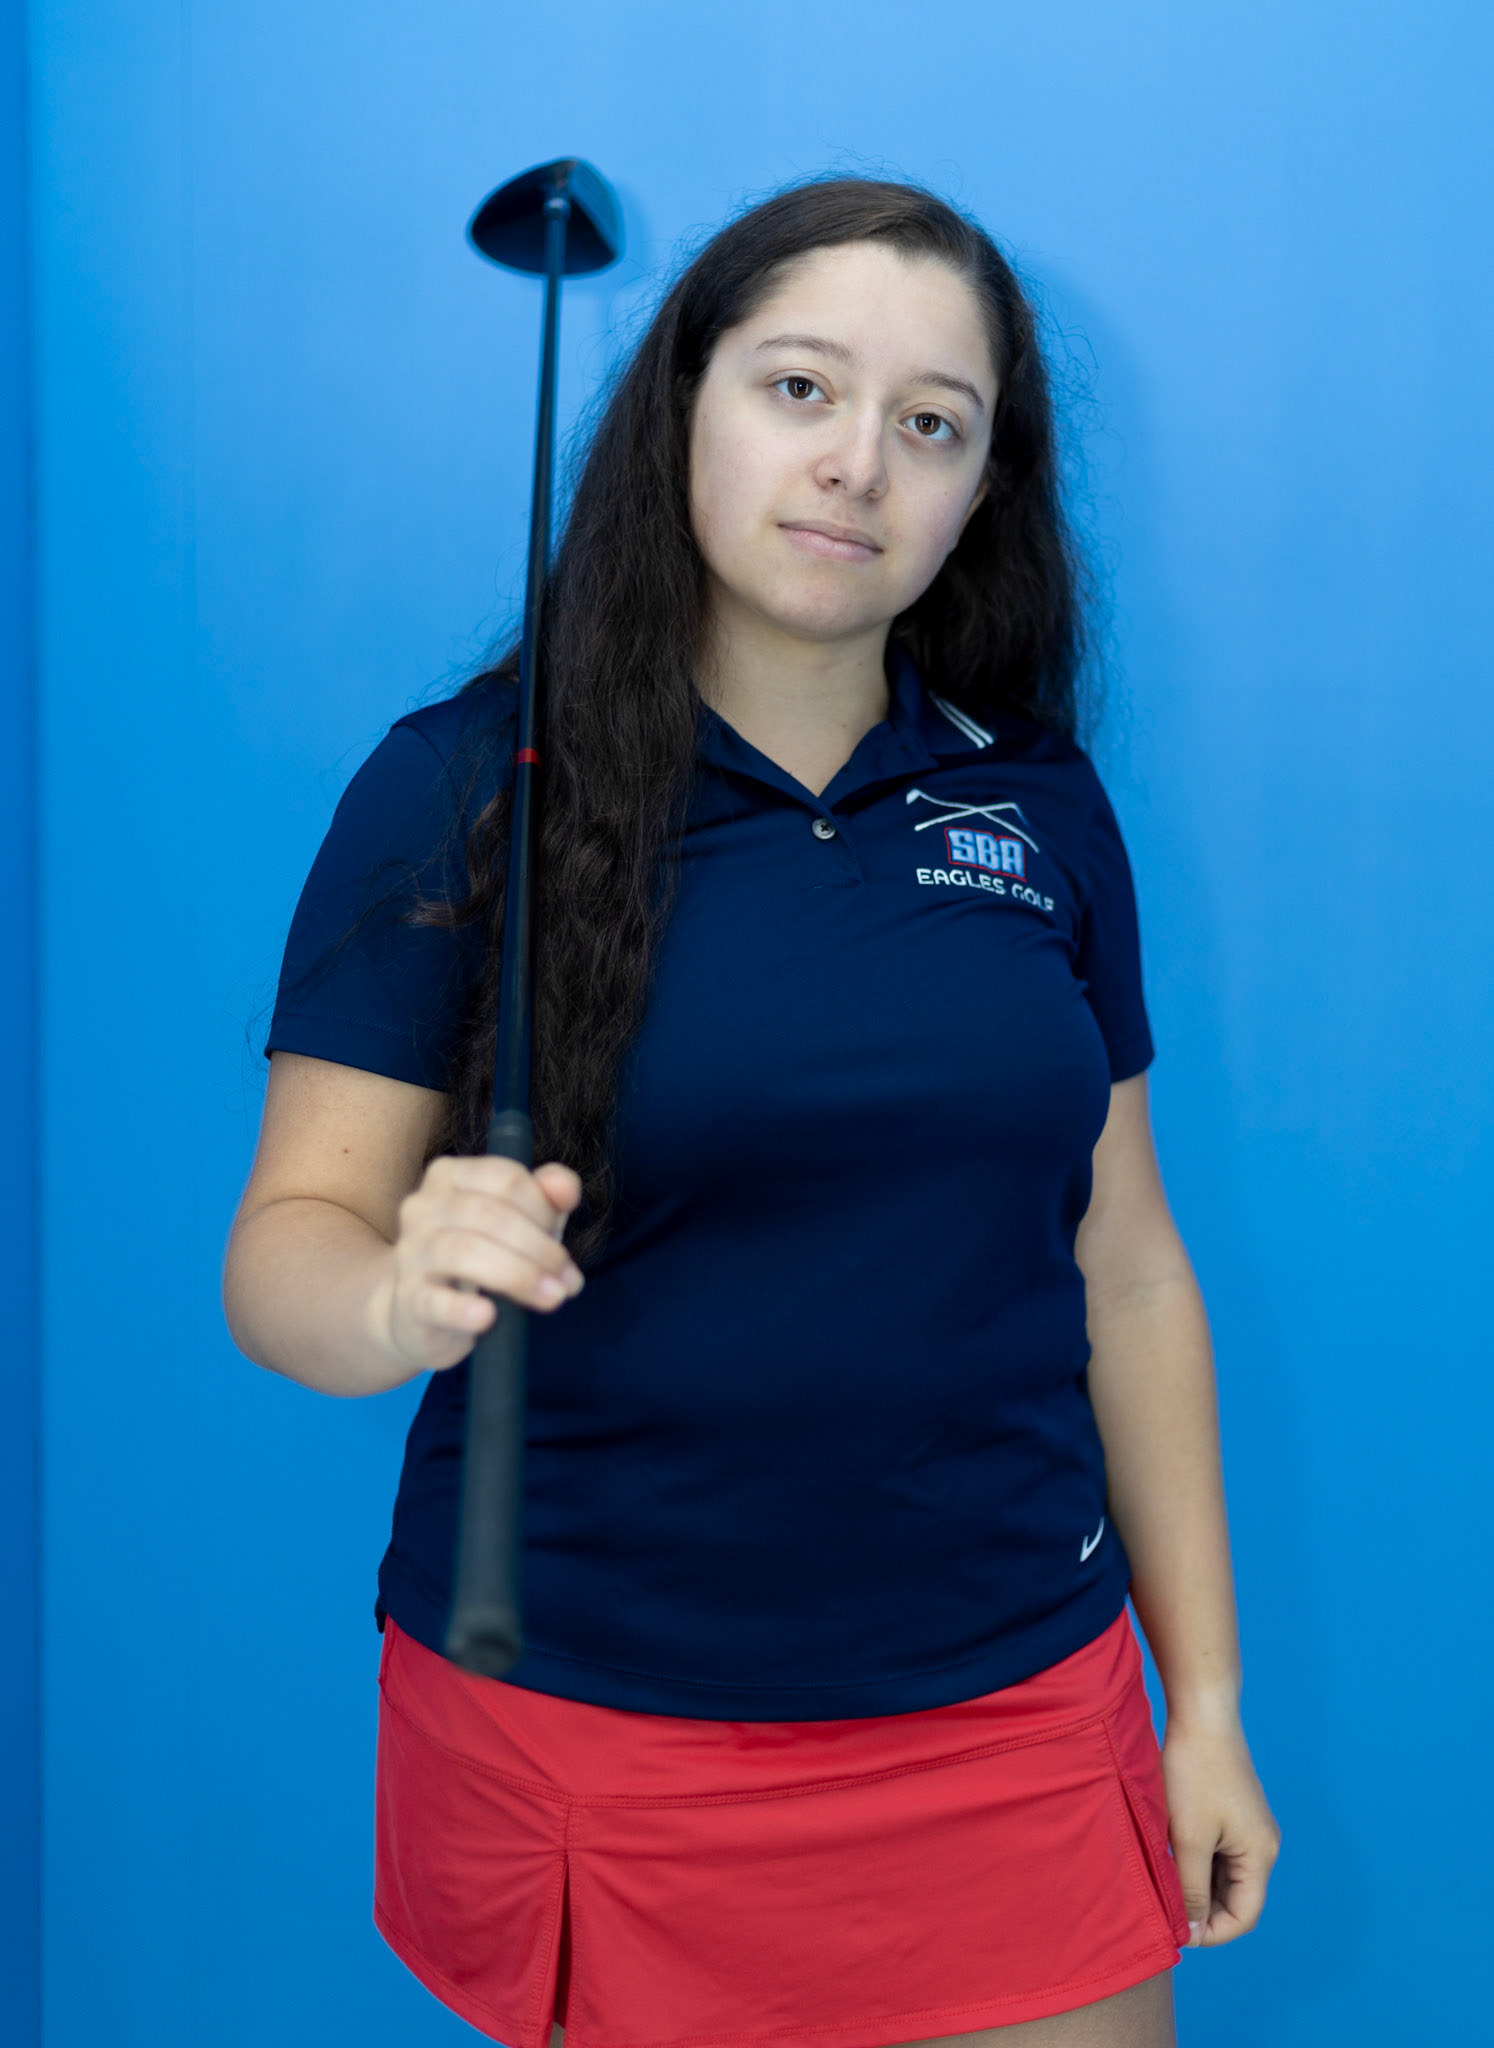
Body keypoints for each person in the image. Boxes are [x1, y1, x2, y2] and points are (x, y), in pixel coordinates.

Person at [223, 176, 1279, 2048]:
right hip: (595, 1728)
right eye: (800, 388)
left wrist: (1199, 1706)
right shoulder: (463, 786)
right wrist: (391, 1297)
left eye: (928, 426)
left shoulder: (1036, 803)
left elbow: (1123, 1273)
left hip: (1012, 1713)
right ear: (684, 405)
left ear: (977, 495)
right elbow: (287, 1251)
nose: (857, 463)